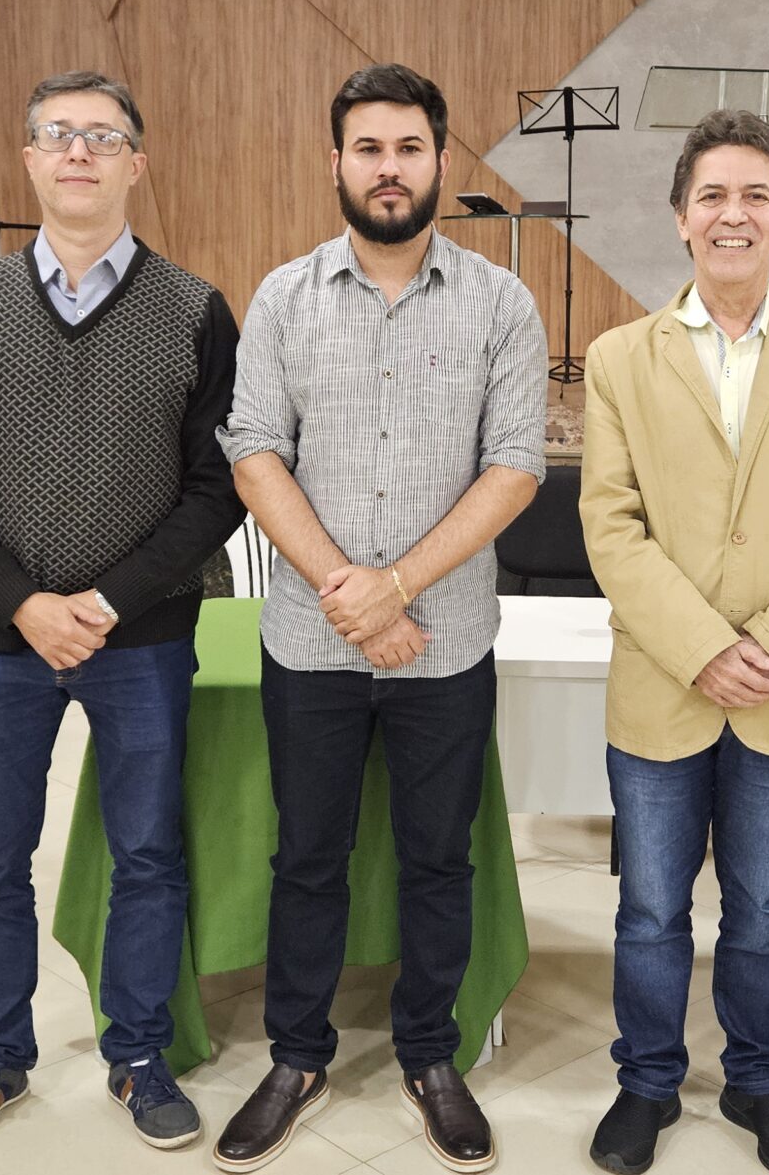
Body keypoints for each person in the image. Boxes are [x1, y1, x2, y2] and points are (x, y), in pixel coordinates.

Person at [0, 71, 244, 1160]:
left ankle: (138, 1051)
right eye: (58, 135)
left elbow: (216, 489)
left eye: (104, 136)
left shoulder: (194, 308)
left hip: (138, 635)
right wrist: (23, 602)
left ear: (138, 162)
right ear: (30, 160)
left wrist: (100, 601)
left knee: (147, 853)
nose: (80, 152)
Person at [214, 63, 546, 1175]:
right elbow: (254, 453)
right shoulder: (283, 297)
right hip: (310, 641)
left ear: (441, 160)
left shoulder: (501, 302)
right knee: (308, 856)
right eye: (369, 148)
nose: (389, 168)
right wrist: (351, 593)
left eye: (409, 148)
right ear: (337, 162)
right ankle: (296, 1055)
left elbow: (514, 467)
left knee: (436, 860)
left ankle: (429, 1054)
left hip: (443, 645)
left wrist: (397, 587)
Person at [577, 109, 769, 1175]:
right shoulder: (619, 358)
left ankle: (759, 1081)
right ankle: (646, 1082)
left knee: (762, 907)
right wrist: (701, 647)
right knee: (650, 908)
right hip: (660, 686)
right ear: (680, 217)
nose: (733, 213)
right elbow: (610, 525)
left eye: (756, 194)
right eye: (711, 194)